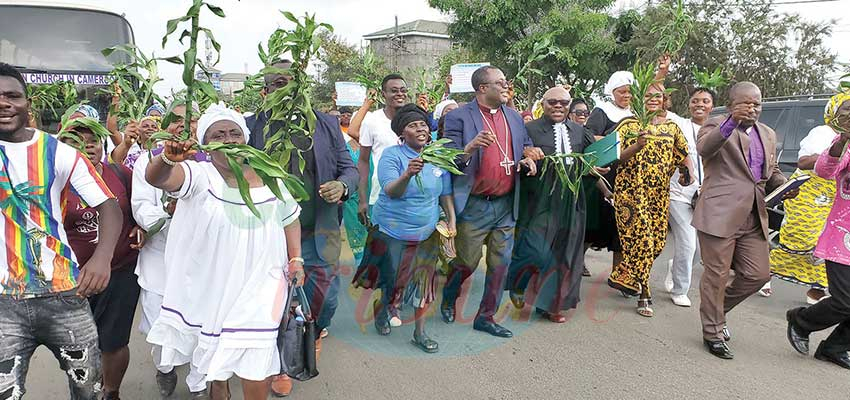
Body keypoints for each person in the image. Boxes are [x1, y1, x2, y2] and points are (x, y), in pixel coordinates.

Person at [145, 103, 303, 400]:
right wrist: (167, 158)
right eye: (220, 134)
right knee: (217, 361)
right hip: (215, 283)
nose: (229, 139)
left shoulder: (270, 175)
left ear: (245, 137)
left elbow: (290, 217)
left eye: (235, 133)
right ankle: (220, 388)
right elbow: (159, 178)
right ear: (208, 141)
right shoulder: (199, 174)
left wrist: (296, 259)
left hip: (263, 282)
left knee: (256, 357)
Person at [0, 62, 121, 399]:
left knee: (89, 390)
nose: (4, 103)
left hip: (64, 295)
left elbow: (108, 205)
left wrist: (101, 258)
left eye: (12, 96)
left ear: (28, 104)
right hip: (2, 303)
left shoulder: (59, 152)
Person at [246, 60, 358, 397]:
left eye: (292, 82)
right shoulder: (250, 127)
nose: (287, 89)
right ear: (265, 92)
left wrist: (342, 186)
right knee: (276, 301)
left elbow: (348, 168)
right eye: (278, 83)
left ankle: (314, 331)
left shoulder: (324, 124)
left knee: (327, 298)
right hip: (267, 234)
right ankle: (283, 363)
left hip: (318, 228)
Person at [440, 65, 542, 338]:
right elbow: (449, 157)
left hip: (506, 204)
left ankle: (485, 317)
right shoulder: (459, 117)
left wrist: (528, 159)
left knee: (500, 264)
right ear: (483, 88)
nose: (506, 85)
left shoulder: (515, 117)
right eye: (500, 82)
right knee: (466, 262)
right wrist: (470, 147)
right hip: (475, 204)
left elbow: (524, 146)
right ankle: (449, 295)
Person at [694, 82, 790, 360]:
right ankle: (712, 331)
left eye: (757, 104)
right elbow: (705, 149)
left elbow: (769, 173)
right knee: (717, 275)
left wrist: (787, 186)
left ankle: (715, 311)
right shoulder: (715, 126)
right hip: (719, 213)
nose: (752, 108)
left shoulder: (768, 134)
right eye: (745, 103)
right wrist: (731, 123)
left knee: (758, 275)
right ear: (732, 103)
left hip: (753, 215)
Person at [352, 104, 456, 352]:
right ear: (402, 134)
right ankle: (382, 308)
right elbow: (391, 190)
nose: (420, 129)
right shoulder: (392, 155)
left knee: (424, 282)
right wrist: (408, 174)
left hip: (427, 232)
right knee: (395, 282)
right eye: (413, 125)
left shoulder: (437, 155)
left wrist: (451, 220)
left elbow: (446, 193)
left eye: (422, 125)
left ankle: (420, 333)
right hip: (393, 231)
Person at [58, 123, 144, 400]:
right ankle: (85, 390)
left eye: (92, 140)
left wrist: (143, 226)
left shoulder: (121, 174)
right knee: (77, 344)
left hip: (120, 271)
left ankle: (111, 391)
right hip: (70, 278)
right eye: (76, 141)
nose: (87, 146)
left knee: (113, 340)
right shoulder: (51, 181)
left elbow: (145, 205)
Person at [132, 101, 208, 398]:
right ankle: (165, 369)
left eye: (189, 120)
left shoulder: (212, 161)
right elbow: (141, 206)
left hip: (202, 259)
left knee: (203, 321)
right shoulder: (149, 161)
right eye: (175, 120)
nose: (182, 125)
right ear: (165, 125)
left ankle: (200, 382)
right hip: (160, 257)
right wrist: (168, 215)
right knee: (160, 318)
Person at [506, 86, 601, 323]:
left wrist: (596, 173)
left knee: (565, 254)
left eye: (563, 102)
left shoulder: (580, 132)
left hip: (571, 201)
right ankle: (519, 284)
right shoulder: (528, 129)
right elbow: (513, 155)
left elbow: (593, 158)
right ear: (543, 104)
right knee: (535, 249)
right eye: (552, 102)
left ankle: (552, 305)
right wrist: (525, 155)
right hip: (539, 200)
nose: (558, 106)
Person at [606, 83, 695, 317]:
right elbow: (617, 159)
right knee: (643, 240)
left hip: (658, 193)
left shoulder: (672, 127)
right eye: (648, 96)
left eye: (658, 96)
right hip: (631, 192)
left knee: (656, 243)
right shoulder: (628, 125)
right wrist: (637, 145)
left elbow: (683, 154)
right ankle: (644, 293)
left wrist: (689, 173)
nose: (653, 100)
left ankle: (624, 275)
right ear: (638, 100)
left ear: (665, 99)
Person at [786, 90, 850, 370]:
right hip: (843, 237)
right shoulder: (845, 144)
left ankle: (834, 348)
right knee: (845, 300)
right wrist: (844, 138)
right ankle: (801, 320)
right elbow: (825, 169)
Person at [769, 97, 846, 304]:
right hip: (809, 193)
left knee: (827, 243)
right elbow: (802, 162)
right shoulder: (823, 133)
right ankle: (762, 271)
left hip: (835, 196)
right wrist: (833, 155)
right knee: (801, 238)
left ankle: (817, 290)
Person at [662, 88, 713, 307]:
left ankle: (676, 267)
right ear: (689, 104)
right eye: (695, 100)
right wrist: (661, 72)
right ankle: (680, 289)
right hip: (679, 194)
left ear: (712, 105)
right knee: (688, 242)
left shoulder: (719, 130)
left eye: (705, 101)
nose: (699, 104)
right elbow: (657, 97)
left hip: (707, 197)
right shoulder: (679, 124)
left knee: (699, 249)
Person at [583, 71, 634, 276]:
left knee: (620, 226)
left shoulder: (636, 114)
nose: (626, 96)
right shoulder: (602, 111)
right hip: (604, 173)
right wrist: (615, 144)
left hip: (626, 176)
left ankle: (618, 274)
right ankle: (579, 261)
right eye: (622, 92)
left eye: (630, 92)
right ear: (612, 92)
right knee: (595, 223)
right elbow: (590, 136)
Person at [356, 74, 409, 227]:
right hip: (381, 195)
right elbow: (363, 161)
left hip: (412, 195)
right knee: (383, 246)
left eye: (403, 90)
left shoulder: (414, 118)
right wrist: (363, 200)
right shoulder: (372, 121)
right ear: (383, 94)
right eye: (394, 90)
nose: (400, 94)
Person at [336, 106, 367, 268]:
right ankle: (362, 269)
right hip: (352, 199)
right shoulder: (344, 147)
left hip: (373, 197)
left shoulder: (374, 148)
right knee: (356, 233)